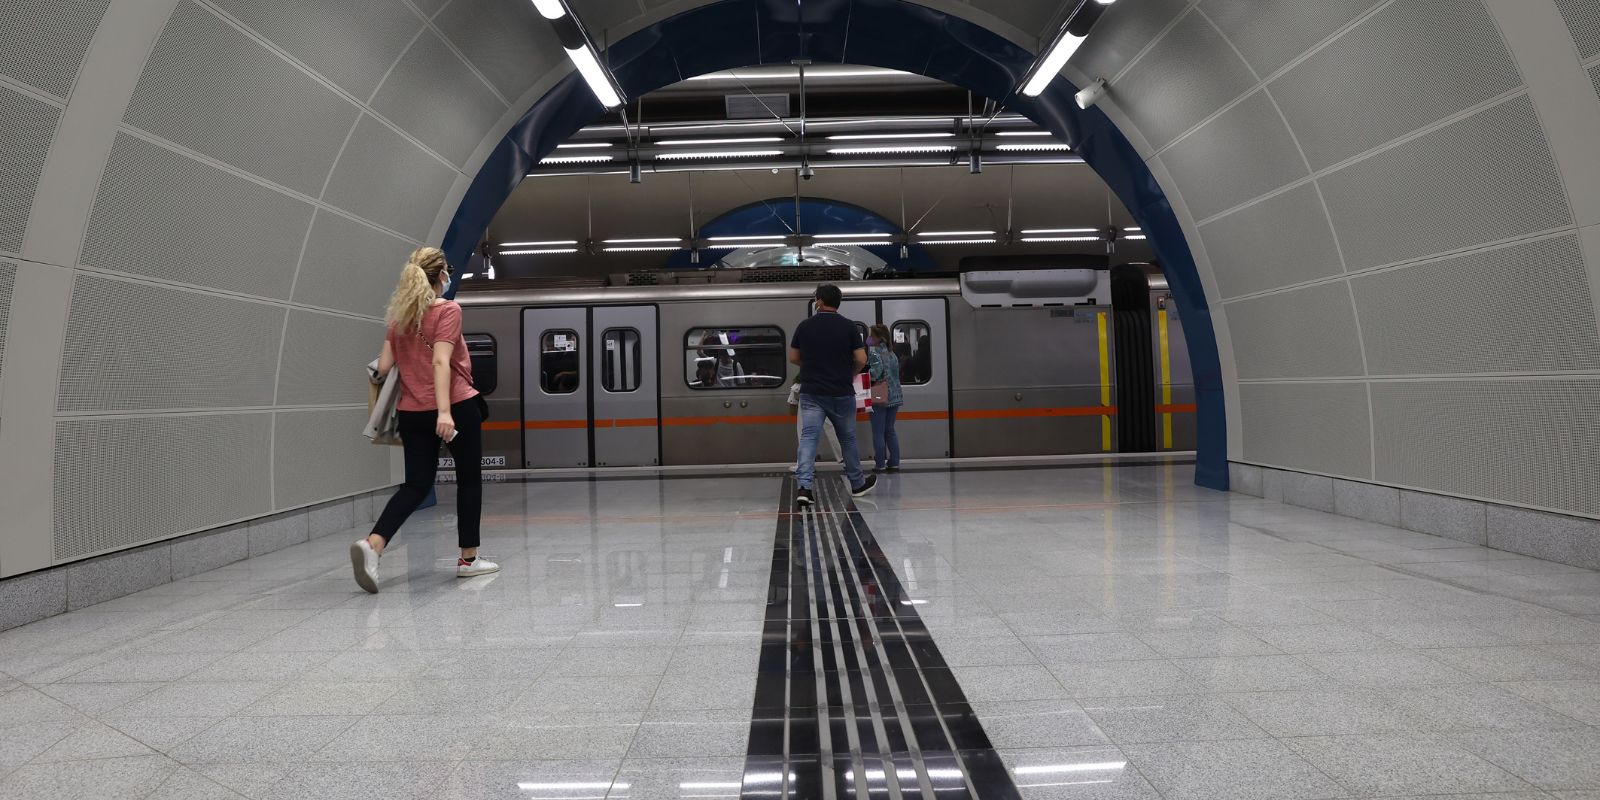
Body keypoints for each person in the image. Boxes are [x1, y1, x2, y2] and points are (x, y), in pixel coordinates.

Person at [351, 247, 499, 593]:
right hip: (456, 406)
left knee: (416, 485)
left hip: (411, 411)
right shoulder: (448, 310)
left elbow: (383, 367)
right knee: (468, 480)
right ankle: (468, 560)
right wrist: (445, 412)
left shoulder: (399, 317)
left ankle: (373, 544)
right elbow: (440, 362)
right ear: (441, 275)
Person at [790, 284, 877, 506]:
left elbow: (794, 357)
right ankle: (857, 484)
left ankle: (804, 488)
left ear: (819, 302)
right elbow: (861, 359)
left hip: (812, 393)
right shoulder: (849, 327)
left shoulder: (805, 326)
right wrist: (850, 373)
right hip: (841, 392)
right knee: (847, 438)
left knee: (809, 438)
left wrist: (813, 367)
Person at [866, 324, 904, 473]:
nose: (869, 338)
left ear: (879, 338)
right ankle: (894, 462)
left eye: (872, 336)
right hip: (895, 396)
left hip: (879, 397)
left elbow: (875, 374)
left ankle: (880, 464)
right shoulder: (892, 353)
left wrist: (864, 372)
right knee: (890, 430)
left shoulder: (875, 353)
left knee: (878, 432)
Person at [788, 376, 842, 472]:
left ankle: (804, 464)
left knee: (804, 431)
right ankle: (845, 458)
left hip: (809, 392)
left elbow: (802, 373)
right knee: (831, 427)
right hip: (827, 391)